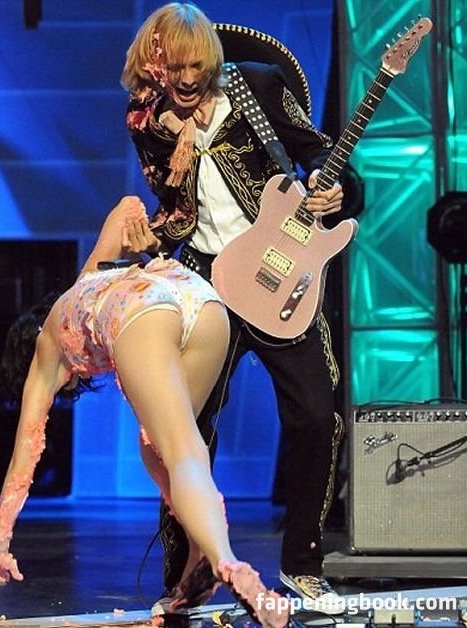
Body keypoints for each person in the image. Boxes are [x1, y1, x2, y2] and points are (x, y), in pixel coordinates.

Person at [0, 195, 289, 628]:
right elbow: (127, 206)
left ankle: (227, 562)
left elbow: (23, 456)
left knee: (177, 452)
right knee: (172, 449)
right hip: (201, 301)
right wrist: (148, 229)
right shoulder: (87, 279)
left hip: (143, 309)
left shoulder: (46, 351)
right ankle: (198, 567)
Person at [121, 2, 345, 614]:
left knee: (316, 416)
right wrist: (152, 224)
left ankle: (303, 564)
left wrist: (331, 190)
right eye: (175, 70)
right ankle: (186, 574)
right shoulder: (147, 121)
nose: (187, 80)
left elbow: (320, 152)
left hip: (277, 275)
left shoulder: (259, 88)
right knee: (183, 430)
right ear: (155, 68)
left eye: (197, 67)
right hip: (203, 282)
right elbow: (173, 214)